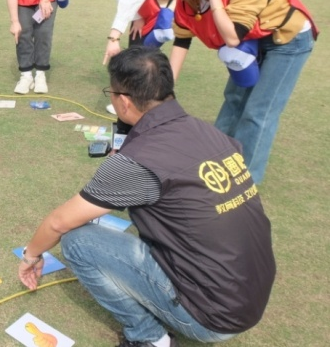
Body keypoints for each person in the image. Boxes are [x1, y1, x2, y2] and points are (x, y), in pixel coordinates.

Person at [18, 46, 275, 347]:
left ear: (124, 101)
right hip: (251, 293)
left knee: (78, 242)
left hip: (211, 314)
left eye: (110, 93)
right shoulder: (210, 133)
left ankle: (150, 338)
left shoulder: (138, 160)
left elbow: (60, 222)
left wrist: (31, 256)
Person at [165, 0, 317, 184]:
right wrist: (167, 90)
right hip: (253, 40)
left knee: (258, 110)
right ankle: (214, 163)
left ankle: (244, 183)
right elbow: (182, 41)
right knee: (234, 99)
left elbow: (232, 37)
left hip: (287, 38)